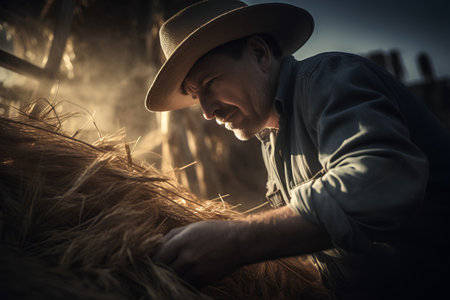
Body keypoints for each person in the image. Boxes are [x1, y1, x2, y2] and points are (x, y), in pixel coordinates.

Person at [147, 1, 450, 299]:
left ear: (258, 54)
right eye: (195, 95)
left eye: (210, 82)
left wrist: (238, 241)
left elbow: (380, 178)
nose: (206, 112)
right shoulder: (271, 139)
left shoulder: (327, 78)